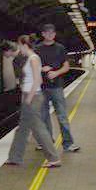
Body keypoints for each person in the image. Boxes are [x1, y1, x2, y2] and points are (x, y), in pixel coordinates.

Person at [5, 36, 61, 168]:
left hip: (33, 97)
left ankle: (54, 158)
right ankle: (15, 157)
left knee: (38, 128)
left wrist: (28, 98)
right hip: (28, 95)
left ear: (25, 45)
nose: (19, 49)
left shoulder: (34, 58)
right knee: (22, 129)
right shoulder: (30, 59)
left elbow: (38, 80)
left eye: (20, 45)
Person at [36, 23, 80, 152]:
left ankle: (68, 144)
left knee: (62, 116)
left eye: (52, 32)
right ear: (43, 34)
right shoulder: (37, 49)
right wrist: (41, 69)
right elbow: (32, 66)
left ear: (54, 34)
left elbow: (66, 67)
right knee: (43, 116)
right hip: (42, 87)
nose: (50, 34)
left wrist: (56, 72)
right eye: (47, 32)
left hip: (57, 87)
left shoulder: (60, 48)